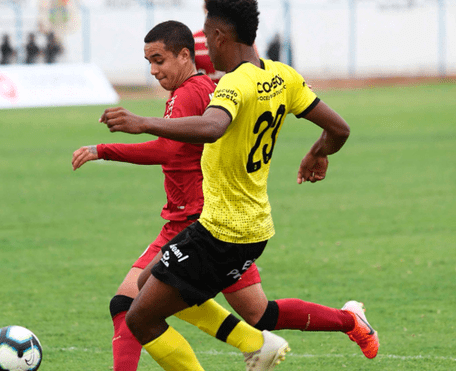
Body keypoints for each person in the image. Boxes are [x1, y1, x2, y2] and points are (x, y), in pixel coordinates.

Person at [99, 1, 379, 370]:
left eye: (206, 39)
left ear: (219, 36)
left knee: (137, 316)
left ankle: (256, 344)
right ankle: (344, 322)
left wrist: (144, 122)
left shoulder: (234, 83)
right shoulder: (284, 76)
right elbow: (339, 129)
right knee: (158, 281)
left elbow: (213, 126)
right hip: (250, 226)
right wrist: (318, 151)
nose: (206, 49)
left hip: (222, 233)